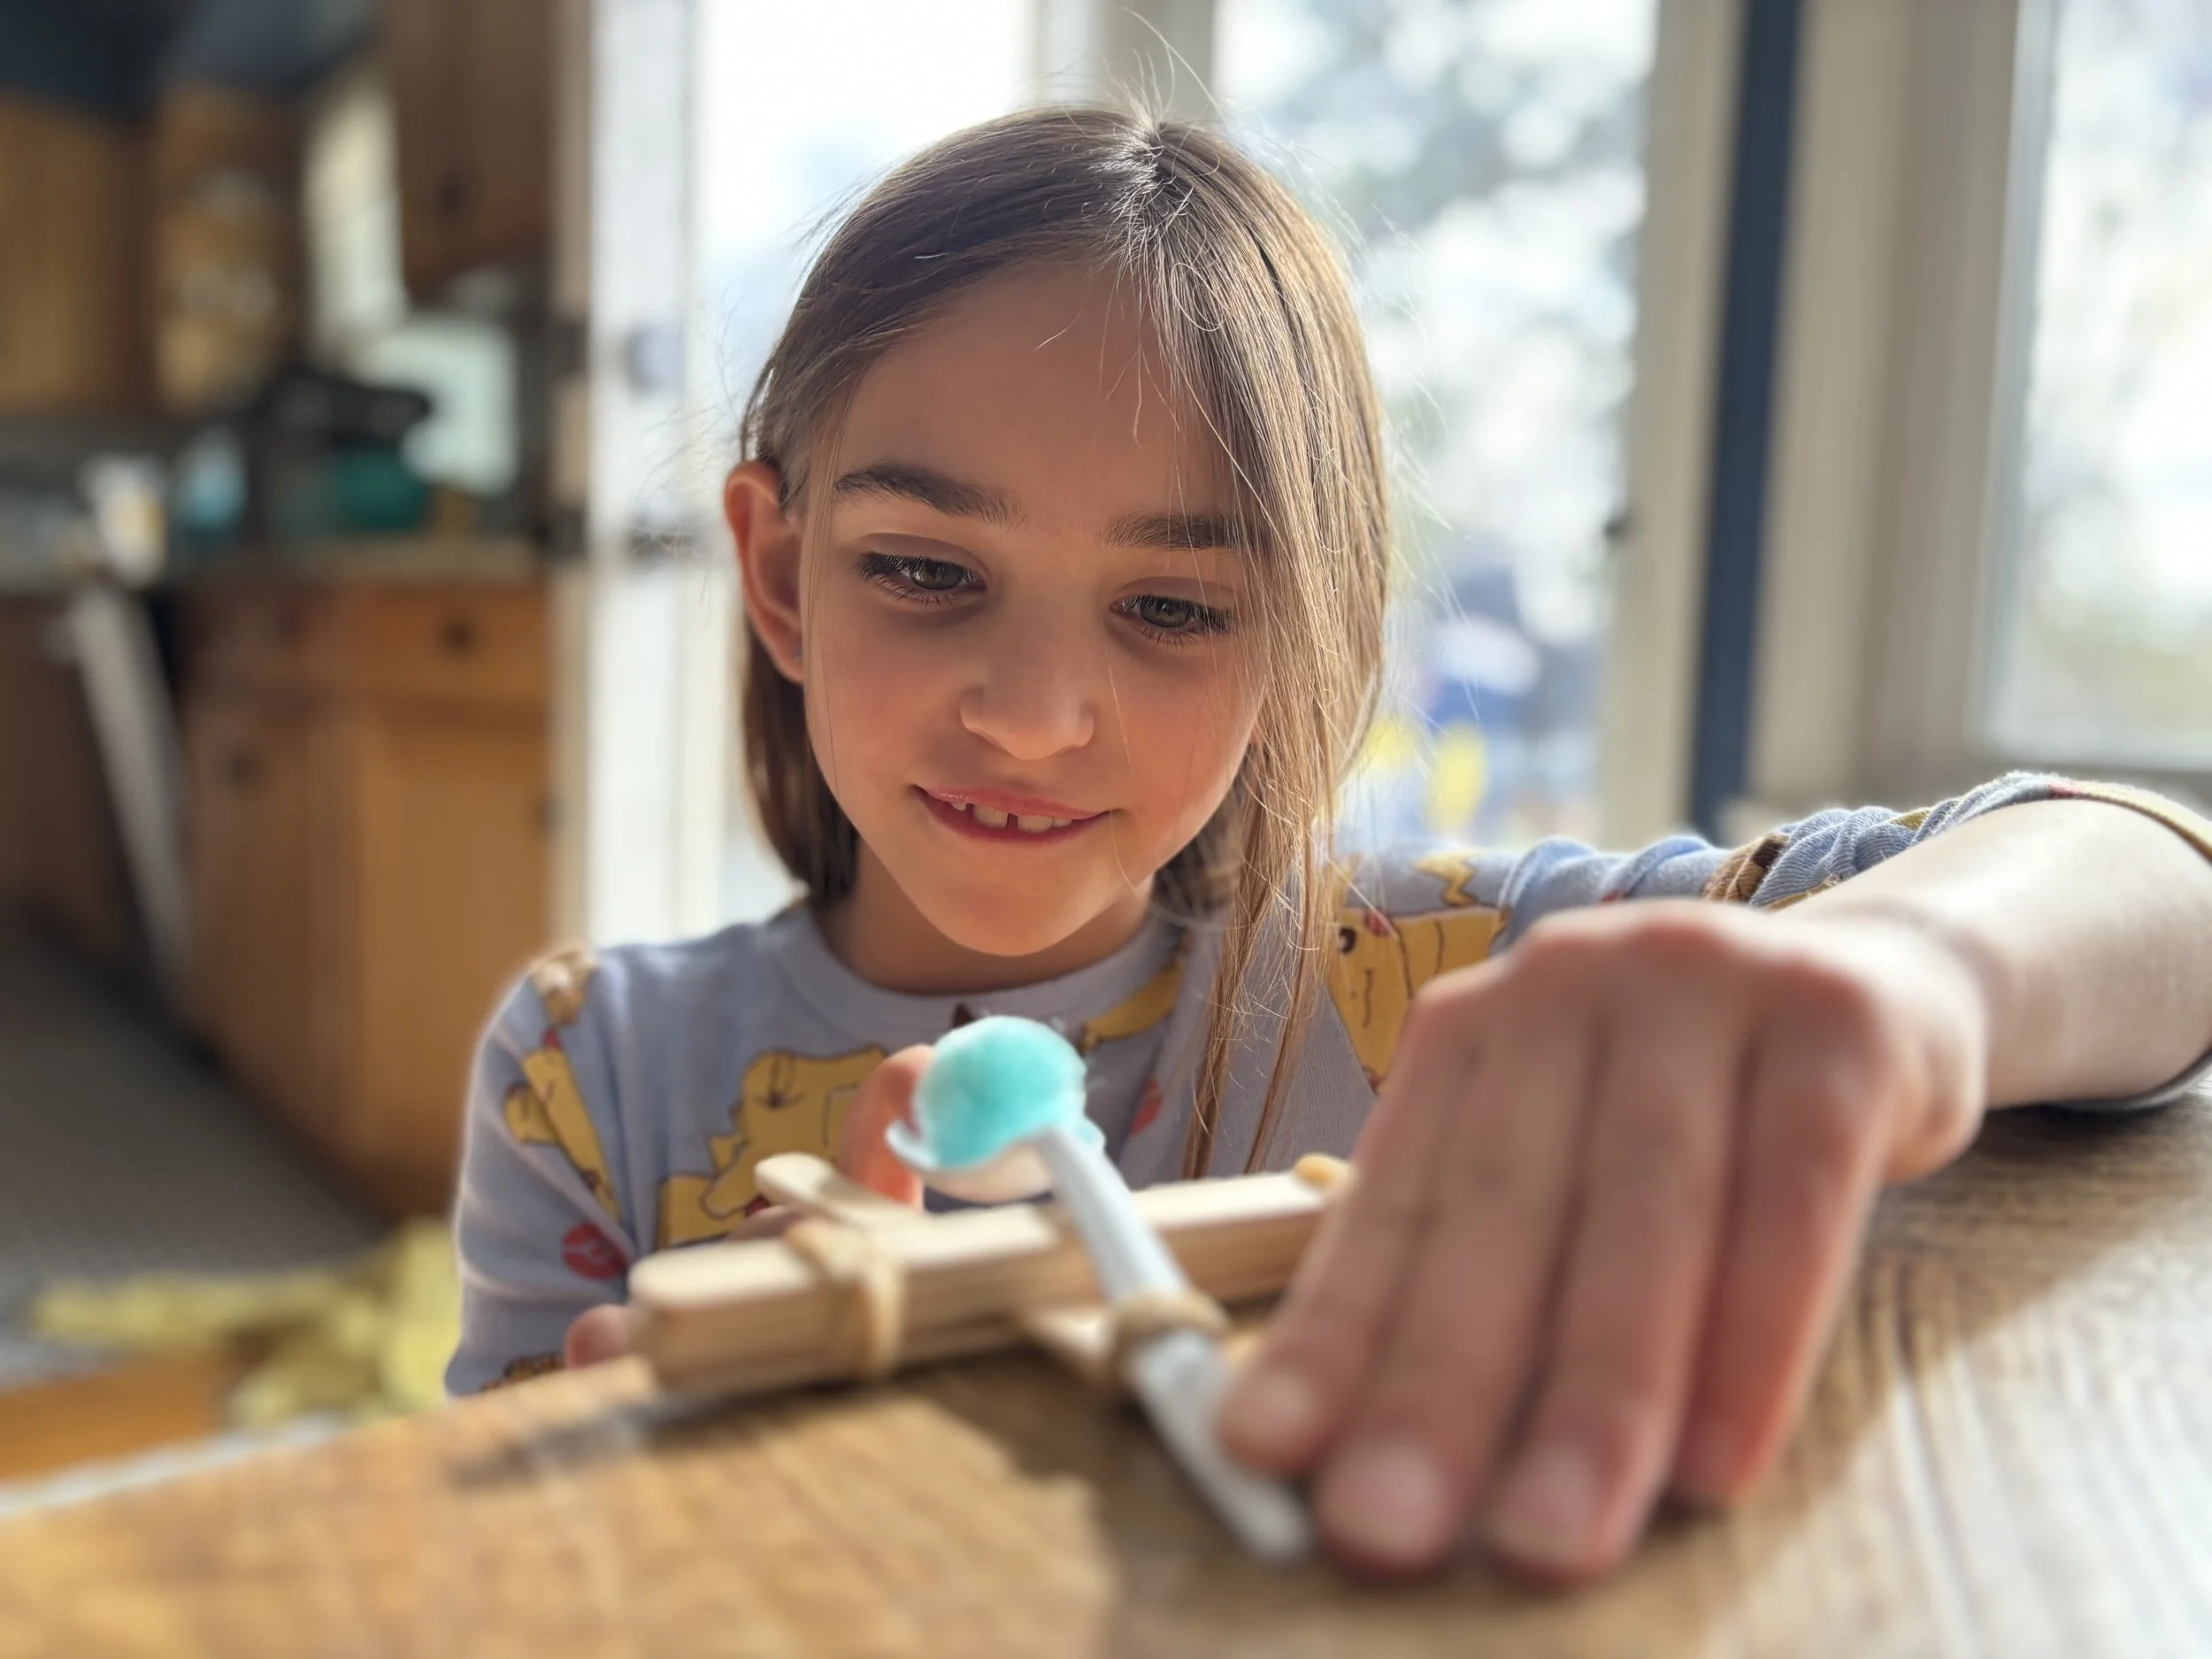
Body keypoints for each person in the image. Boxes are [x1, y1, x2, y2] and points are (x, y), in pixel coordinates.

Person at [446, 106, 2212, 1584]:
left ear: (1304, 642)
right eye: (923, 569)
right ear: (778, 574)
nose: (1036, 714)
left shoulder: (1435, 977)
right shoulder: (588, 1070)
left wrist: (1907, 975)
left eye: (1169, 606)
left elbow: (2148, 880)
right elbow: (494, 1573)